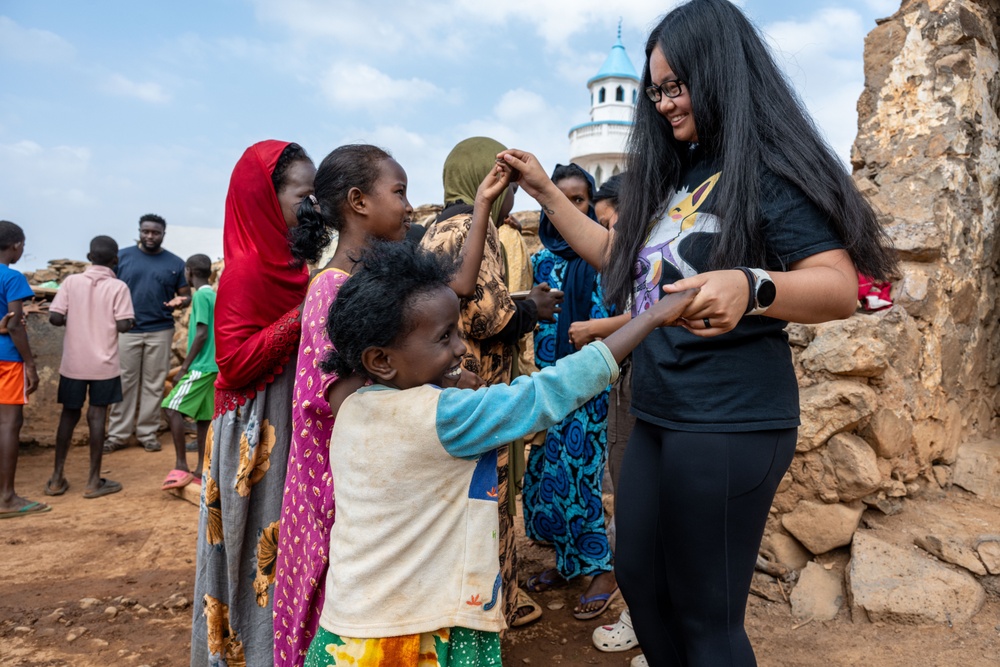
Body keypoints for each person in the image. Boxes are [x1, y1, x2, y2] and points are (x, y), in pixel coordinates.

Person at [499, 1, 897, 663]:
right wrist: (544, 189)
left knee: (706, 614)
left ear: (718, 73)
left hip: (730, 419)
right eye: (655, 90)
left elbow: (838, 286)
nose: (662, 103)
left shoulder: (770, 172)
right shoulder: (679, 172)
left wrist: (753, 286)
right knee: (640, 579)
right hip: (658, 406)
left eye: (674, 86)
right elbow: (618, 255)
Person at [304, 239, 696, 667]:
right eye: (444, 337)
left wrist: (449, 385)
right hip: (422, 631)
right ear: (381, 359)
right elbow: (550, 391)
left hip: (352, 625)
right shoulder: (444, 416)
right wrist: (652, 316)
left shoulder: (354, 405)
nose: (459, 348)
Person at [273, 144, 414, 667]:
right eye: (398, 192)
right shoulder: (331, 290)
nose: (408, 206)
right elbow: (339, 398)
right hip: (335, 485)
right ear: (358, 201)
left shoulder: (363, 285)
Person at [420, 137, 563, 629]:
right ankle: (489, 615)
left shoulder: (435, 228)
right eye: (508, 189)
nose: (513, 200)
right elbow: (485, 317)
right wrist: (533, 309)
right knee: (489, 501)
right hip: (478, 388)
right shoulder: (472, 228)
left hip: (449, 392)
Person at [191, 140, 316, 666]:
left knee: (284, 548)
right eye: (301, 196)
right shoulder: (244, 272)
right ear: (265, 199)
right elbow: (237, 365)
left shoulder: (296, 263)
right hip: (253, 430)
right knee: (251, 551)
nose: (311, 209)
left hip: (282, 416)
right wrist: (304, 313)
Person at [521, 163, 619, 621]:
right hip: (548, 384)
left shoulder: (606, 259)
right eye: (557, 199)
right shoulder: (539, 261)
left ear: (590, 203)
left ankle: (602, 568)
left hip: (591, 385)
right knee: (548, 475)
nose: (567, 209)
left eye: (578, 200)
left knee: (581, 477)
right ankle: (567, 562)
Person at [45, 236, 134, 500]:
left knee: (68, 416)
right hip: (104, 365)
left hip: (73, 363)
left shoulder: (71, 282)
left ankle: (56, 478)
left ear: (88, 256)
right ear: (115, 260)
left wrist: (76, 319)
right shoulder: (119, 287)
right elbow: (124, 324)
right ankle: (93, 480)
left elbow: (55, 316)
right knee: (97, 417)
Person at [104, 213, 190, 454]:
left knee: (153, 384)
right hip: (126, 331)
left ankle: (147, 433)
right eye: (146, 231)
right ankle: (118, 435)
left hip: (160, 330)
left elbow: (185, 293)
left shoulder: (174, 263)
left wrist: (181, 301)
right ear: (139, 231)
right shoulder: (122, 257)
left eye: (155, 232)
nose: (150, 236)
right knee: (124, 383)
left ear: (163, 234)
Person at [0, 221, 49, 519]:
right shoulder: (12, 278)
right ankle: (7, 497)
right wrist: (30, 364)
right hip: (6, 361)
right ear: (17, 245)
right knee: (8, 424)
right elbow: (15, 324)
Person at [160, 254, 216, 490]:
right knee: (203, 420)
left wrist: (184, 366)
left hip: (201, 366)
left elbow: (202, 332)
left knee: (170, 407)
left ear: (188, 271)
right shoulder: (212, 293)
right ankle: (201, 470)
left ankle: (181, 465)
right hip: (214, 366)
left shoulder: (202, 295)